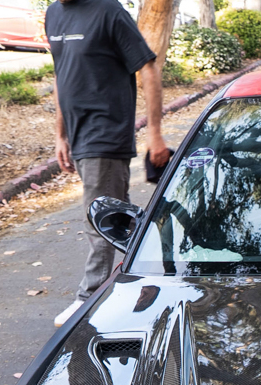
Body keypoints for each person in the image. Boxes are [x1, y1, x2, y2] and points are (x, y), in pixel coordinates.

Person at [45, 0, 171, 325]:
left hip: (106, 130)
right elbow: (61, 75)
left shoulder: (108, 11)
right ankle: (155, 276)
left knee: (97, 215)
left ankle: (88, 301)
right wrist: (61, 134)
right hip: (79, 134)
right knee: (120, 214)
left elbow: (148, 66)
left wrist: (154, 133)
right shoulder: (54, 14)